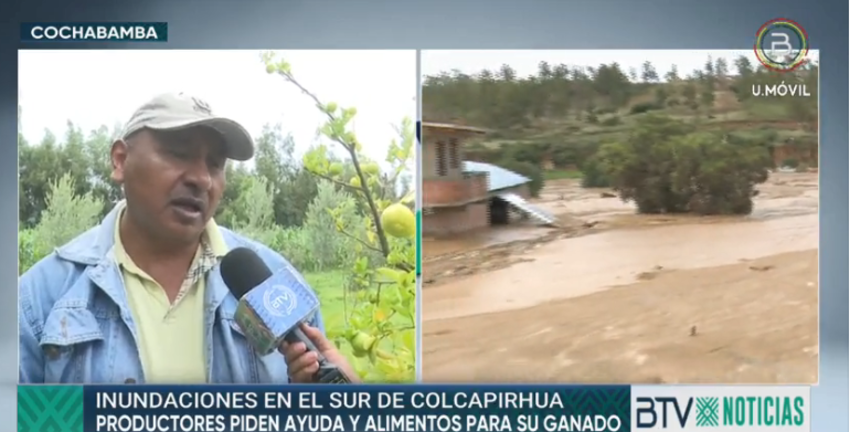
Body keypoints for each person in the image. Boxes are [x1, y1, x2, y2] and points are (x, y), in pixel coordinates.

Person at [19, 92, 359, 384]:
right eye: (178, 154)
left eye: (215, 164)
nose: (202, 179)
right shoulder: (40, 298)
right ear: (121, 160)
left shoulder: (274, 284)